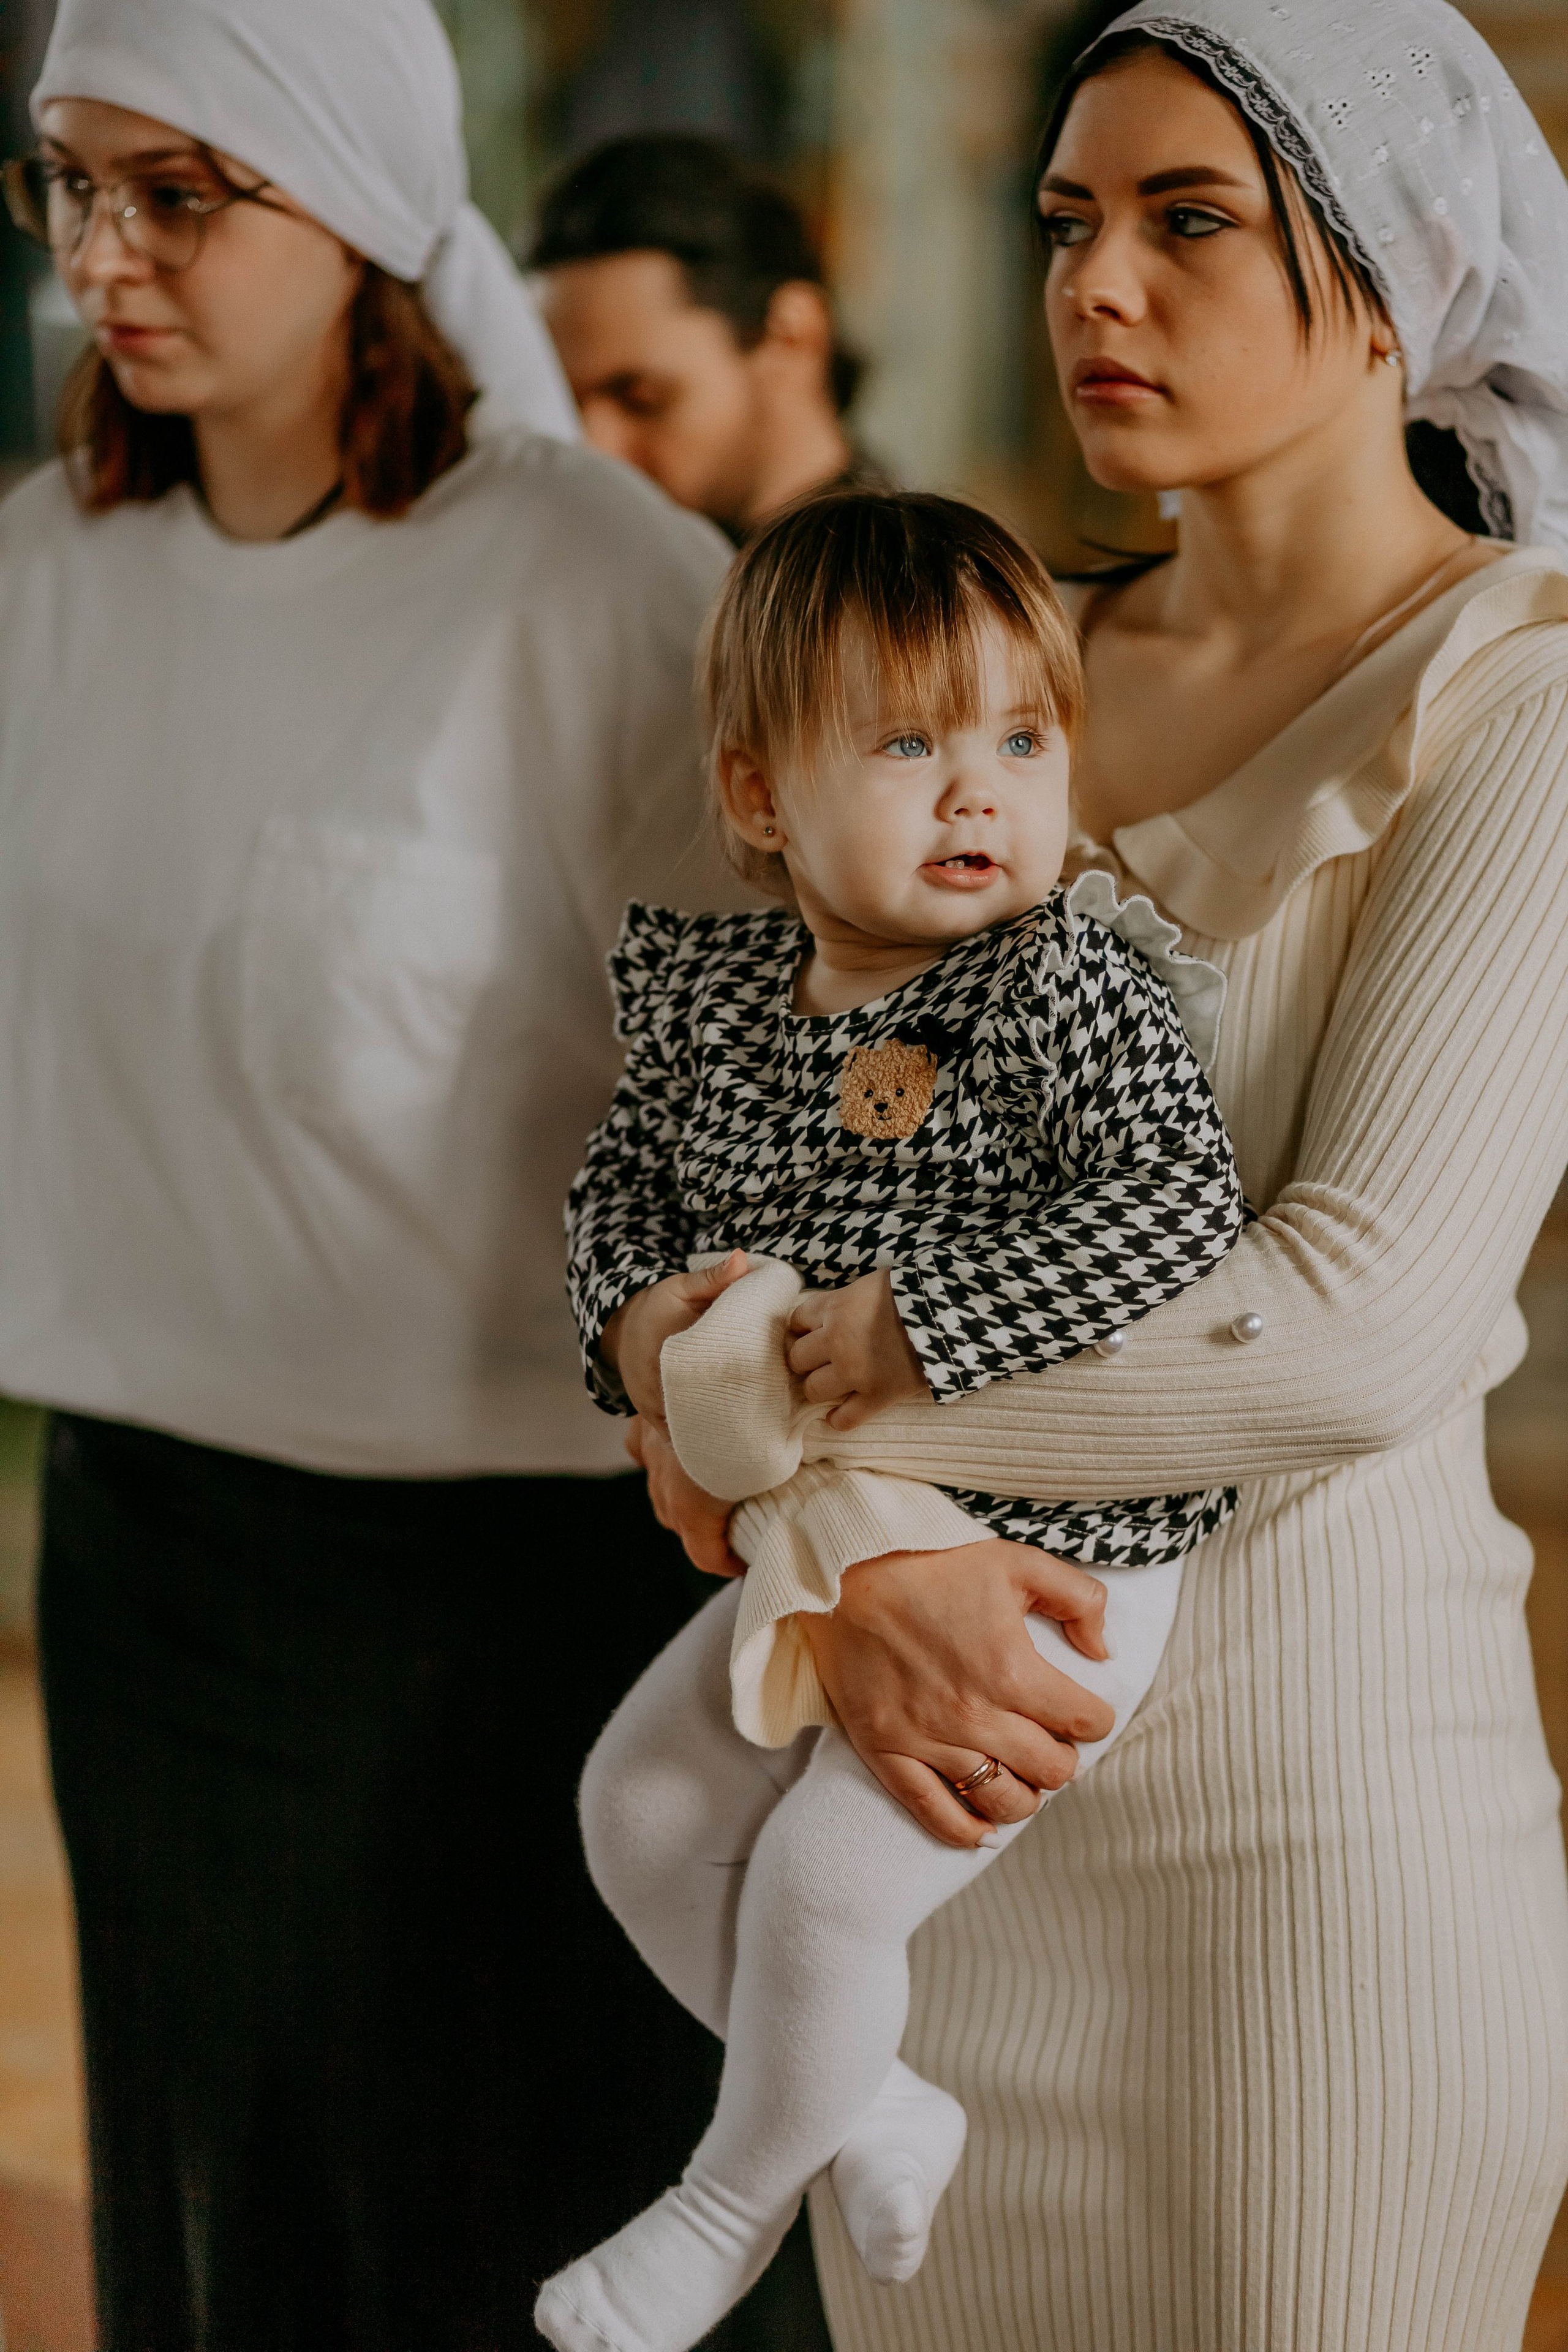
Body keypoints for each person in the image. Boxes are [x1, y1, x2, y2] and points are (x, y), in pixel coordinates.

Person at [625, 5, 1568, 2348]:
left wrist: (784, 1473)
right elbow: (726, 1164)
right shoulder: (978, 672)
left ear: (1391, 271)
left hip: (1306, 1866)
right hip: (928, 1836)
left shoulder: (1520, 701)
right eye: (1063, 221)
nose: (1090, 287)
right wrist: (713, 1409)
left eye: (1183, 221)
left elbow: (1352, 1309)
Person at [0, 0, 766, 2343]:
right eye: (69, 186)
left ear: (350, 211)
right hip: (156, 1558)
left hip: (525, 1592)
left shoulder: (598, 584)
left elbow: (738, 1104)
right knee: (223, 2237)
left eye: (177, 192)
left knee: (517, 2227)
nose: (102, 258)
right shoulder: (42, 572)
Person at [535, 487, 1244, 2352]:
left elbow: (1180, 1199)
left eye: (1021, 737)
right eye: (909, 742)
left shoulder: (1061, 979)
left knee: (830, 1877)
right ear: (759, 793)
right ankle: (865, 2098)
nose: (976, 793)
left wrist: (924, 1316)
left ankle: (726, 2197)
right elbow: (614, 1192)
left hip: (1046, 1529)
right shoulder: (721, 1012)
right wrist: (634, 1327)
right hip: (823, 1525)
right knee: (637, 1805)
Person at [529, 134, 876, 540]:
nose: (592, 449)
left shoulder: (921, 594)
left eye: (643, 399)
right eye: (567, 405)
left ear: (791, 337)